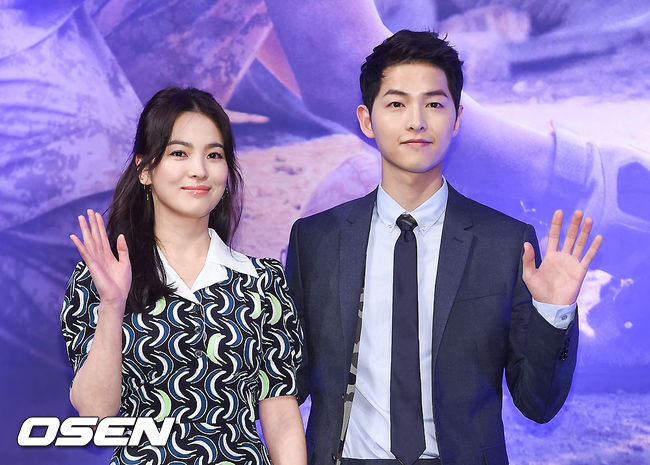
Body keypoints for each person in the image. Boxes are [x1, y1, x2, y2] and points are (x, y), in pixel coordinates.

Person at [285, 30, 602, 465]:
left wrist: (554, 312)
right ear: (366, 119)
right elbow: (290, 382)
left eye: (434, 104)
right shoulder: (315, 240)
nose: (416, 121)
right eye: (396, 104)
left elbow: (538, 404)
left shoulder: (506, 242)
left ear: (456, 119)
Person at [60, 87, 306, 465]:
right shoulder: (100, 276)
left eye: (214, 155)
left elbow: (282, 417)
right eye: (179, 153)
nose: (199, 170)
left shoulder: (261, 280)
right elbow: (95, 417)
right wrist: (112, 302)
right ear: (145, 169)